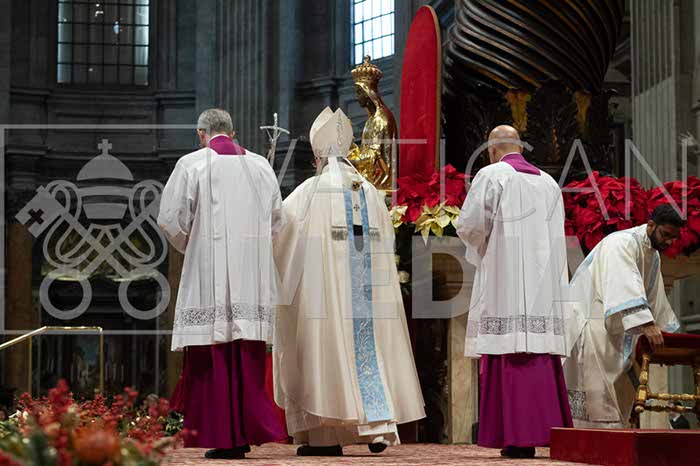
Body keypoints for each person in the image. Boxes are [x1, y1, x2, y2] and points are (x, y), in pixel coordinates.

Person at [273, 107, 425, 457]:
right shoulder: (369, 191)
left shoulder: (310, 191)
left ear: (317, 156)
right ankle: (378, 429)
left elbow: (280, 236)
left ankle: (325, 438)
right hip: (369, 295)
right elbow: (387, 240)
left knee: (327, 352)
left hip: (326, 297)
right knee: (372, 351)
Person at [158, 108, 287, 460]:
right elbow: (278, 221)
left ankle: (224, 437)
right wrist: (255, 251)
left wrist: (193, 244)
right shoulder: (261, 166)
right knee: (246, 356)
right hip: (252, 277)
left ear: (201, 134)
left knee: (213, 357)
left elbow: (170, 219)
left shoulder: (191, 164)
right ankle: (244, 434)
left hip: (209, 274)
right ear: (232, 132)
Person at [456, 125, 573, 459]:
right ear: (520, 147)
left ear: (492, 150)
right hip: (543, 285)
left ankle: (513, 436)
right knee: (538, 348)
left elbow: (471, 226)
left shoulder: (492, 175)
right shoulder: (549, 183)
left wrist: (480, 249)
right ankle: (542, 431)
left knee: (508, 346)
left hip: (505, 280)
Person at [564, 204, 683, 429]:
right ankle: (594, 435)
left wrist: (661, 328)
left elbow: (653, 294)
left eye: (674, 238)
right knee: (596, 384)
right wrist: (646, 323)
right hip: (592, 318)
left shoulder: (652, 253)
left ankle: (611, 433)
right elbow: (623, 282)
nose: (669, 242)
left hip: (617, 324)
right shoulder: (622, 242)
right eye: (666, 235)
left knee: (618, 388)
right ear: (651, 225)